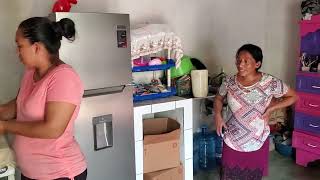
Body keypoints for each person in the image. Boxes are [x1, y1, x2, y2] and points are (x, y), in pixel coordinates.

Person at [0, 17, 87, 180]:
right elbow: (18, 105)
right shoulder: (29, 73)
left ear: (37, 47)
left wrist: (5, 126)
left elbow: (52, 129)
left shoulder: (64, 77)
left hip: (59, 174)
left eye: (20, 46)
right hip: (31, 173)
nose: (17, 52)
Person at [214, 44, 297, 180]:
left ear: (257, 64)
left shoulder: (270, 83)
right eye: (238, 60)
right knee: (228, 176)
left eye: (246, 61)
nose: (240, 64)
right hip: (232, 139)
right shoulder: (229, 82)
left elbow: (293, 96)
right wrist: (217, 115)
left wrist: (272, 108)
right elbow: (218, 98)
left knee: (252, 176)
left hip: (257, 139)